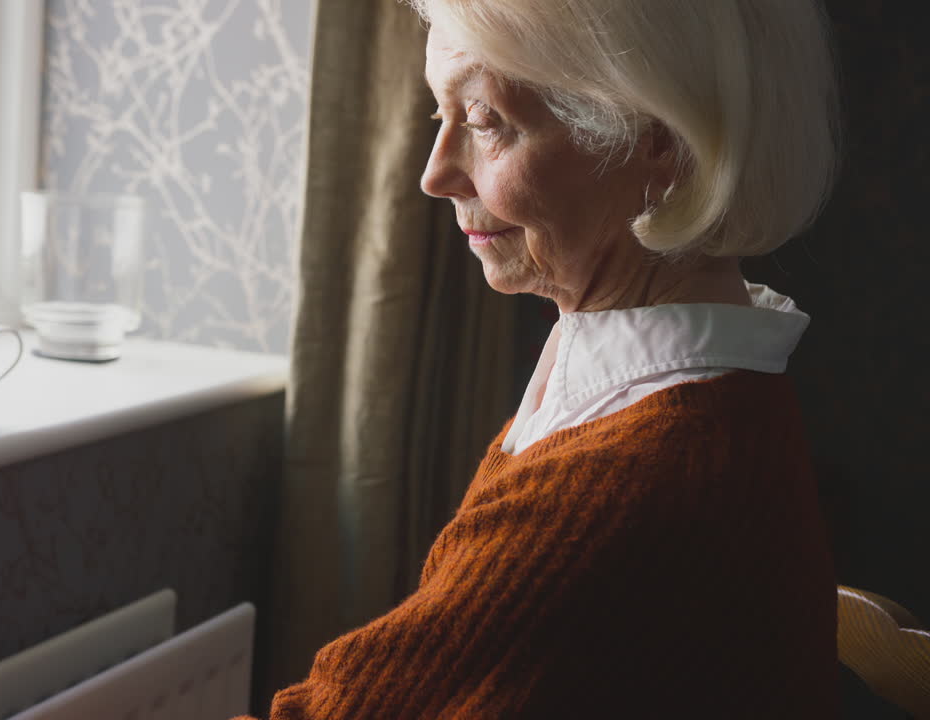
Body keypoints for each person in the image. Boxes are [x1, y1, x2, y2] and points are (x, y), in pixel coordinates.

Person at [238, 0, 841, 717]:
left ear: (663, 141)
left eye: (488, 120)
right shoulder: (702, 379)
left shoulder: (623, 483)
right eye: (442, 116)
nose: (435, 174)